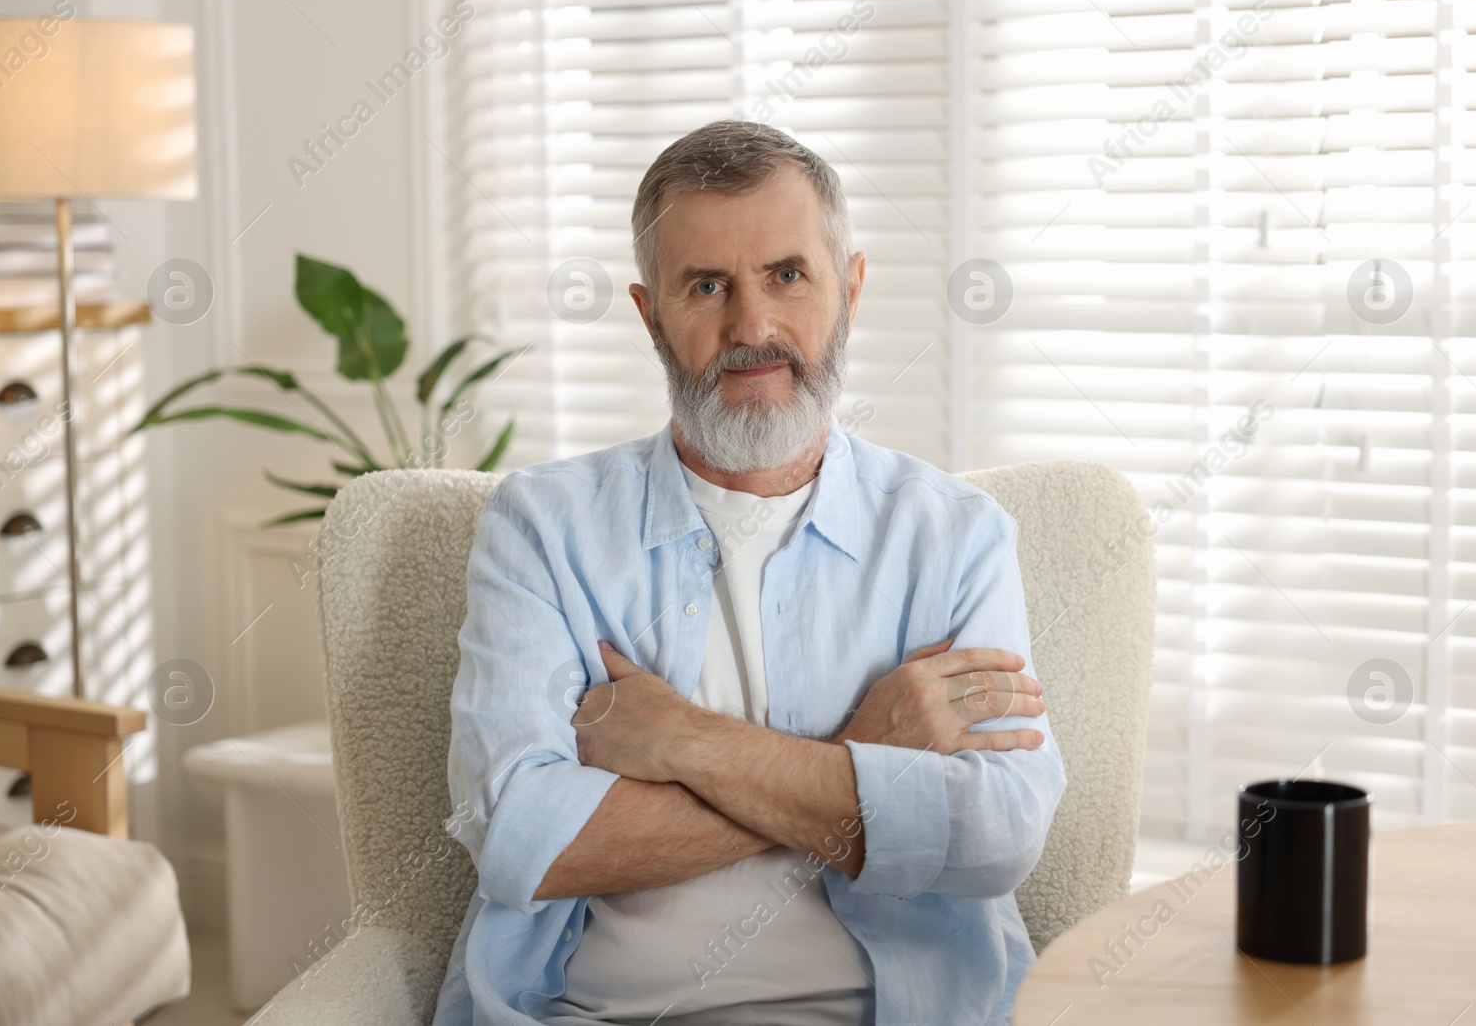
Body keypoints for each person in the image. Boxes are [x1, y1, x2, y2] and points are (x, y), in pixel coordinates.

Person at [432, 119, 1065, 1026]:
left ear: (849, 289)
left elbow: (998, 832)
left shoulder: (957, 538)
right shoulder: (542, 526)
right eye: (707, 285)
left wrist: (681, 741)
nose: (752, 326)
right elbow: (520, 837)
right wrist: (870, 754)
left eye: (787, 275)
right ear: (653, 316)